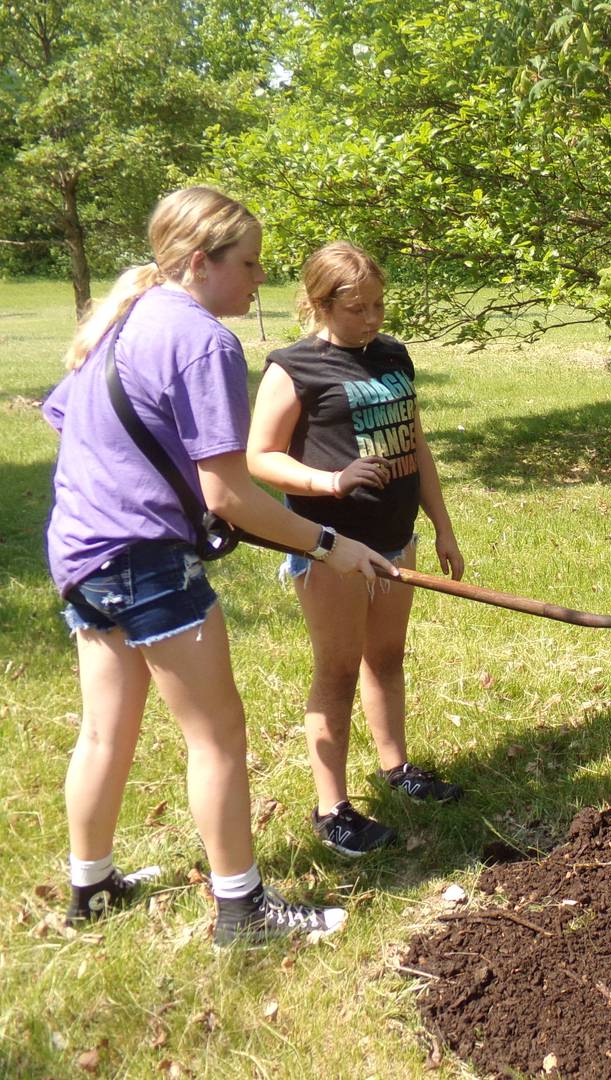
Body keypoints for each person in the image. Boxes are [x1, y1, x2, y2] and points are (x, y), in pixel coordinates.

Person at [44, 186, 397, 946]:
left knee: (104, 733)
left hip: (81, 552)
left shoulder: (127, 316)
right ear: (201, 263)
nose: (258, 280)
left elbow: (68, 418)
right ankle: (244, 911)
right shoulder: (202, 338)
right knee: (218, 736)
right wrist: (331, 546)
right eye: (248, 264)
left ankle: (91, 886)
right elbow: (231, 493)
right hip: (144, 557)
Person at [247, 242, 465, 858]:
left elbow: (414, 446)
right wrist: (330, 482)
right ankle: (332, 808)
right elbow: (259, 457)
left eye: (377, 305)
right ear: (320, 304)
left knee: (388, 656)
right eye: (356, 308)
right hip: (330, 546)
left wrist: (441, 525)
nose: (371, 319)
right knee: (338, 670)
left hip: (396, 538)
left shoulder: (392, 354)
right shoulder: (294, 367)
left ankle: (396, 769)